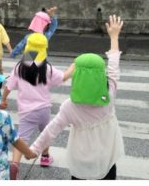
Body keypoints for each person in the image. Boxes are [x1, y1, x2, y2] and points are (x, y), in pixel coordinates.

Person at [30, 15, 125, 180]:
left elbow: (51, 129)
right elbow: (113, 66)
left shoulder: (69, 106)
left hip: (80, 159)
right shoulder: (108, 95)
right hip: (106, 156)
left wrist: (34, 149)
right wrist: (114, 37)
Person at [0, 33, 74, 180]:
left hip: (26, 111)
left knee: (21, 138)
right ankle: (45, 157)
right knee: (46, 133)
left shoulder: (20, 67)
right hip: (43, 109)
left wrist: (3, 99)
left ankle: (15, 164)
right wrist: (72, 67)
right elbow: (63, 77)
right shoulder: (47, 68)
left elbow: (9, 86)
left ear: (28, 47)